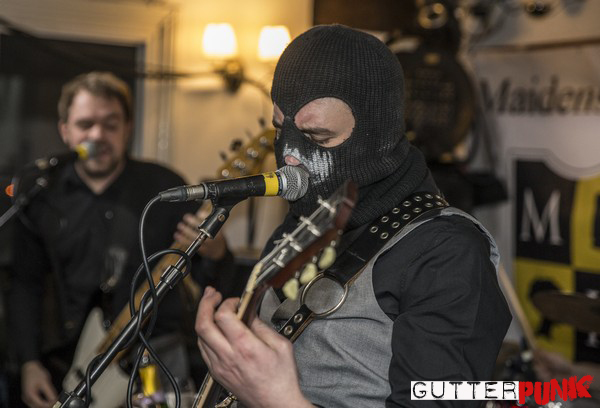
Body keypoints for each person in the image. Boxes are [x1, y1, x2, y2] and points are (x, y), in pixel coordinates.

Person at [194, 24, 512, 408]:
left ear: (378, 134)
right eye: (280, 129)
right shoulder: (304, 223)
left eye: (318, 138)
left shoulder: (448, 253)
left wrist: (277, 399)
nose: (290, 156)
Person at [8, 71, 234, 408]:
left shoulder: (165, 187)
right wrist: (28, 361)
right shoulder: (43, 195)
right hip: (73, 361)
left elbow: (210, 280)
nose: (98, 135)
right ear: (65, 131)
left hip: (155, 359)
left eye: (110, 124)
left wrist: (217, 253)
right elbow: (25, 284)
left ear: (127, 128)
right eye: (85, 124)